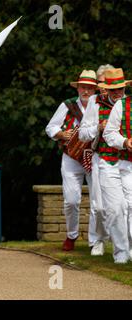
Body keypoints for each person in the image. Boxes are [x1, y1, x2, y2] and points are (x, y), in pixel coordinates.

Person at [45, 70, 98, 251]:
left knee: (96, 201)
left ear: (95, 89)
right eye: (83, 87)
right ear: (78, 88)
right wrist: (61, 134)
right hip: (71, 157)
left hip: (94, 156)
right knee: (71, 200)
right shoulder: (68, 106)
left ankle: (94, 241)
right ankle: (71, 235)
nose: (86, 91)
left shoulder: (101, 106)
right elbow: (51, 127)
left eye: (90, 88)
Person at [79, 65, 119, 257]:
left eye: (108, 84)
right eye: (102, 83)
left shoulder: (125, 103)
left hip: (123, 158)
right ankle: (98, 240)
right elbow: (82, 133)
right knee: (99, 205)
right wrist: (98, 127)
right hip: (100, 156)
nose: (105, 87)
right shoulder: (95, 102)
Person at [101, 68, 132, 263]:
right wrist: (125, 142)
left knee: (131, 206)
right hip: (108, 163)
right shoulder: (122, 106)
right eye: (112, 89)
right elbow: (109, 133)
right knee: (115, 208)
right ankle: (121, 253)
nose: (116, 92)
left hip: (129, 165)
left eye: (119, 88)